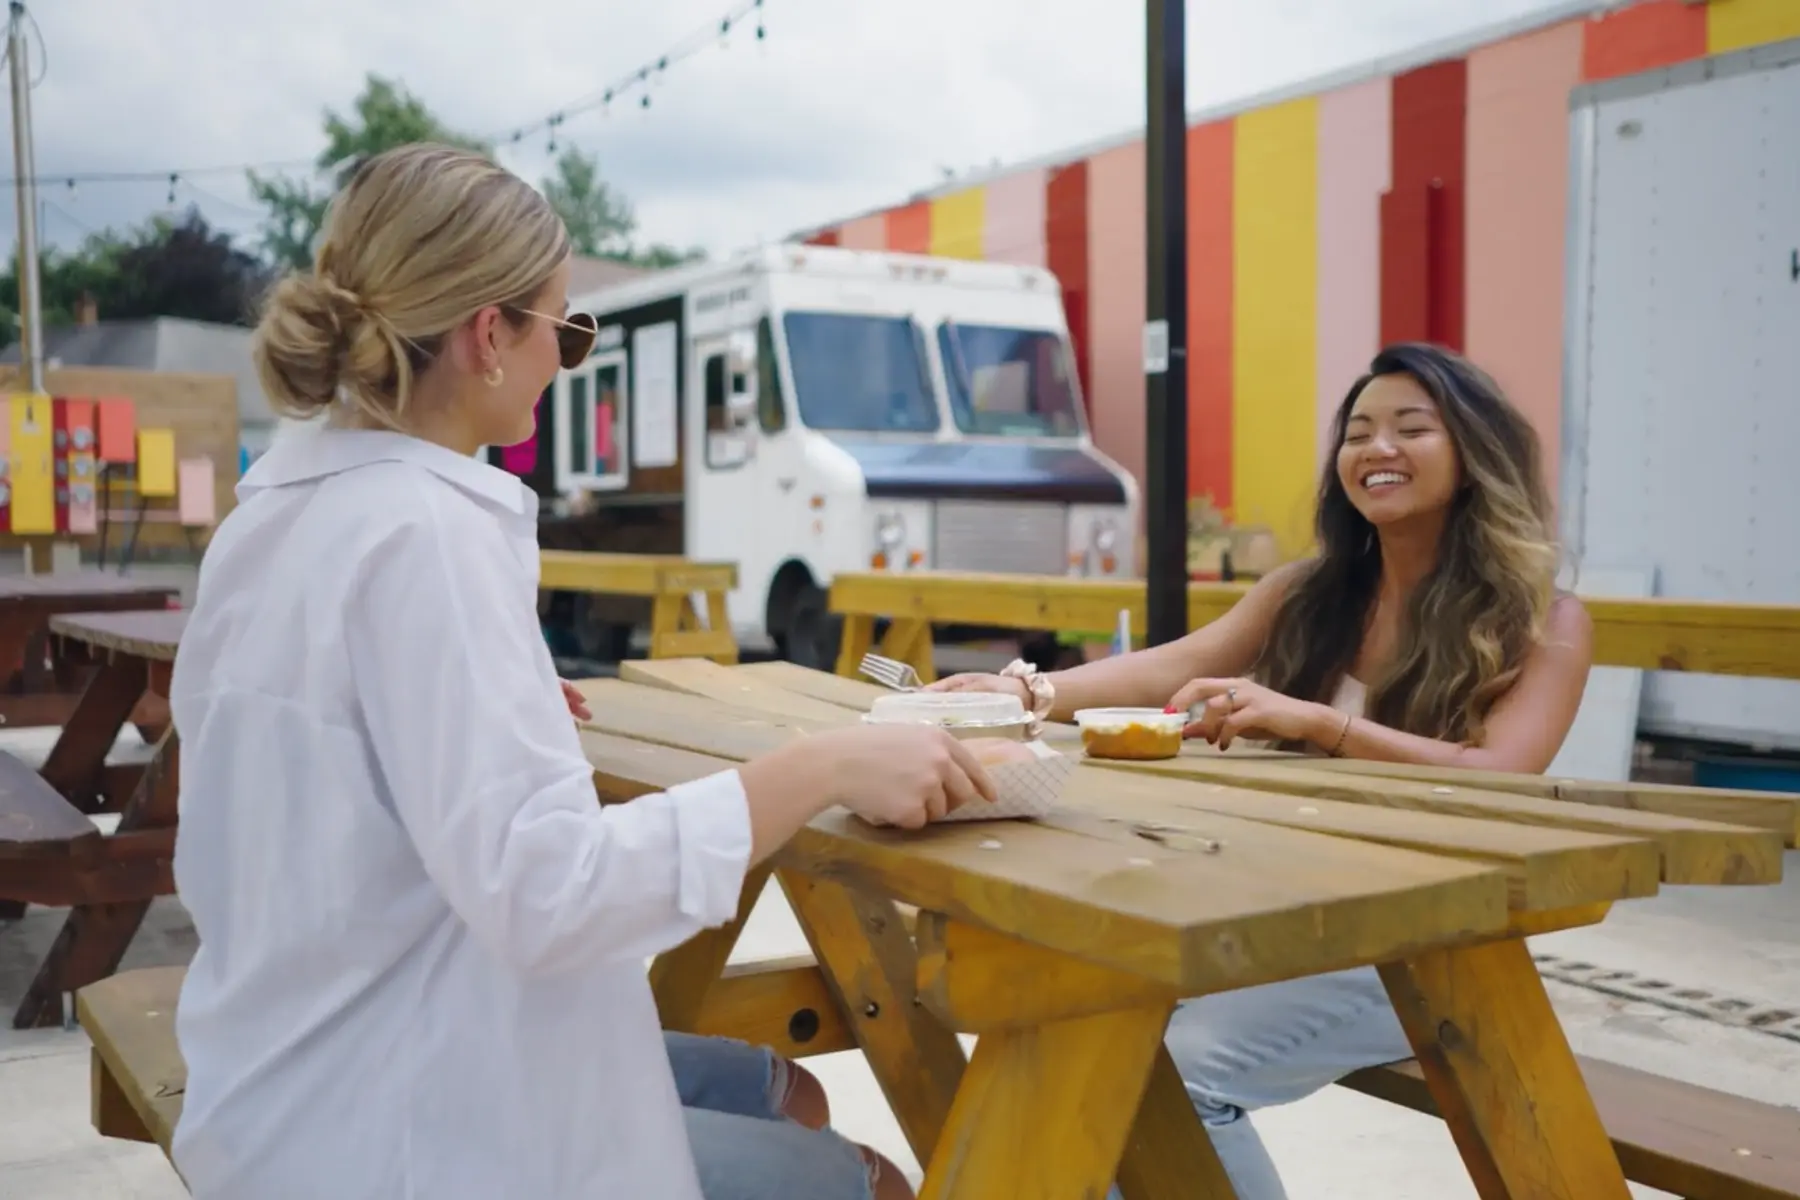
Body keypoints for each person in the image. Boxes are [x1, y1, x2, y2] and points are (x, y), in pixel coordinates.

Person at [167, 143, 995, 1200]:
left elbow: (284, 772)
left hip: (284, 1058)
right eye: (565, 328)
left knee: (785, 1094)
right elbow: (546, 893)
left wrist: (470, 712)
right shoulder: (426, 531)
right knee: (864, 1181)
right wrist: (821, 767)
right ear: (487, 337)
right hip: (399, 1120)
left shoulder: (275, 511)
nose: (568, 360)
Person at [929, 342, 1594, 1198]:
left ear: (1473, 454)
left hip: (1436, 936)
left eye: (1410, 428)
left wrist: (1318, 723)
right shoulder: (1315, 591)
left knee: (1182, 1071)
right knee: (1067, 1012)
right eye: (1358, 432)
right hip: (1292, 904)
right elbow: (1172, 665)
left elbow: (1500, 773)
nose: (1376, 448)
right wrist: (1028, 691)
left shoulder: (1545, 619)